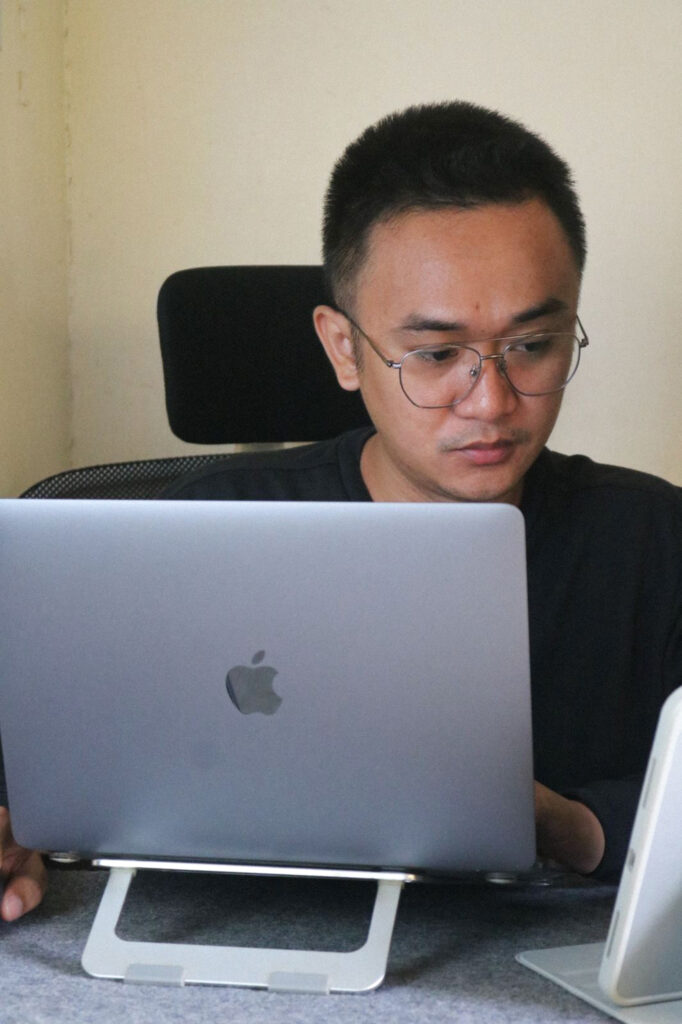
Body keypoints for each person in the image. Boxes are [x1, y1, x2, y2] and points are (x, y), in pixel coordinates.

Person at [2, 101, 681, 922]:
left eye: (533, 345)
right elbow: (49, 768)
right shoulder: (194, 539)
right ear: (343, 348)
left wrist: (561, 823)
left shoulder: (654, 541)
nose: (492, 402)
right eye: (436, 354)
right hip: (206, 945)